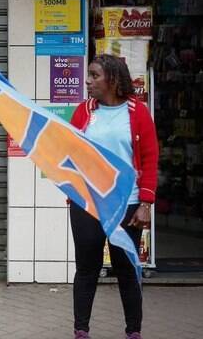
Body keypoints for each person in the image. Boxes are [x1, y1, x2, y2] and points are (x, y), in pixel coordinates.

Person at [69, 54, 158, 339]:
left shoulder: (138, 112)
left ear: (113, 79)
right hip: (88, 203)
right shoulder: (83, 111)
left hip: (126, 203)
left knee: (127, 269)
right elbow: (70, 154)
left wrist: (146, 203)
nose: (88, 81)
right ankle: (81, 330)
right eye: (89, 75)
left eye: (95, 76)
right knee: (87, 268)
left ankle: (133, 332)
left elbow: (150, 158)